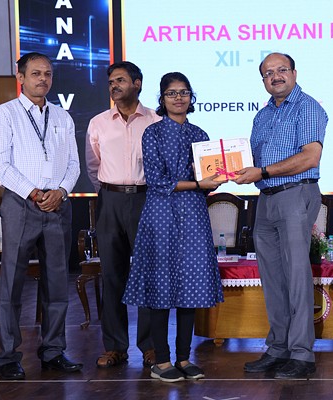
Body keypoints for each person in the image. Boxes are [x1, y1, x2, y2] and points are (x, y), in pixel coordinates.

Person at [122, 72, 225, 382]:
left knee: (191, 288)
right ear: (162, 98)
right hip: (161, 216)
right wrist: (198, 183)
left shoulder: (200, 134)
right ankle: (162, 361)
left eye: (184, 92)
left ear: (191, 97)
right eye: (171, 93)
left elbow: (207, 178)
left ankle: (183, 358)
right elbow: (157, 181)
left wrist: (215, 179)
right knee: (160, 287)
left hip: (193, 214)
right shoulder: (152, 133)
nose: (179, 98)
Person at [0, 52, 82, 379]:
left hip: (57, 205)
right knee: (12, 283)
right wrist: (33, 192)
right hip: (21, 204)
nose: (43, 79)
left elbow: (74, 164)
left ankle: (53, 351)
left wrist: (61, 191)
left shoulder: (62, 116)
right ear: (20, 77)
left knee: (57, 283)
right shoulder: (5, 114)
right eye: (36, 73)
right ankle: (8, 356)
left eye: (48, 74)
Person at [234, 52, 328, 379]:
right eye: (268, 73)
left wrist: (262, 171)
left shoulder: (307, 107)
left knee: (296, 275)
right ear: (263, 80)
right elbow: (251, 161)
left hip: (295, 194)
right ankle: (278, 348)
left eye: (281, 70)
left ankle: (301, 354)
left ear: (294, 73)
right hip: (266, 199)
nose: (275, 76)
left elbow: (310, 157)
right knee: (273, 278)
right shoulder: (262, 115)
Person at [85, 61, 160, 368]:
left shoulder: (156, 120)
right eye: (111, 82)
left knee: (148, 275)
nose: (114, 86)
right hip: (110, 200)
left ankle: (151, 346)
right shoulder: (98, 122)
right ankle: (115, 346)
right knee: (112, 275)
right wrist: (110, 191)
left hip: (146, 199)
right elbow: (93, 166)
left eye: (120, 80)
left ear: (137, 83)